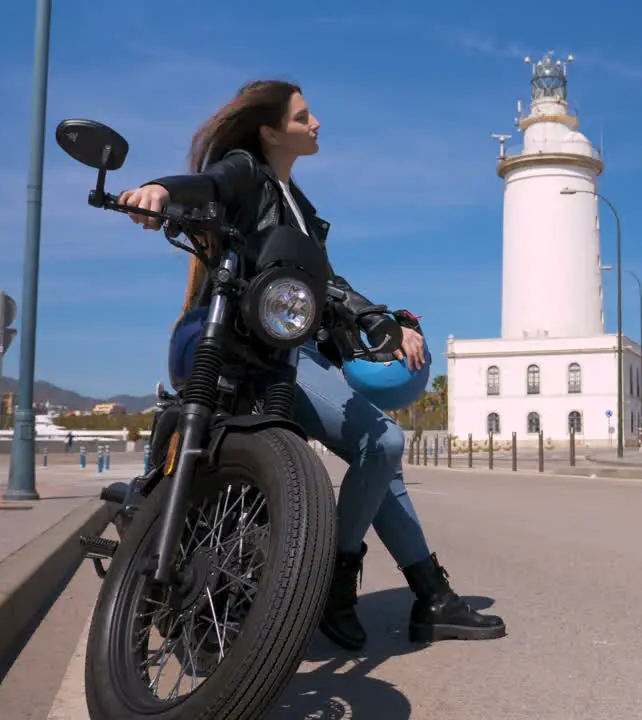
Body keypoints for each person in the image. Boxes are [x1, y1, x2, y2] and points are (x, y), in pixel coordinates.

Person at [117, 79, 506, 650]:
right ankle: (337, 578)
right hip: (258, 343)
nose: (317, 123)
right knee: (386, 444)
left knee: (383, 458)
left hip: (284, 347)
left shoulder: (299, 207)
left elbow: (326, 284)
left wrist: (380, 319)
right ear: (271, 130)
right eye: (303, 117)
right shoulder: (246, 171)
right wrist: (157, 189)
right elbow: (209, 185)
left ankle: (431, 597)